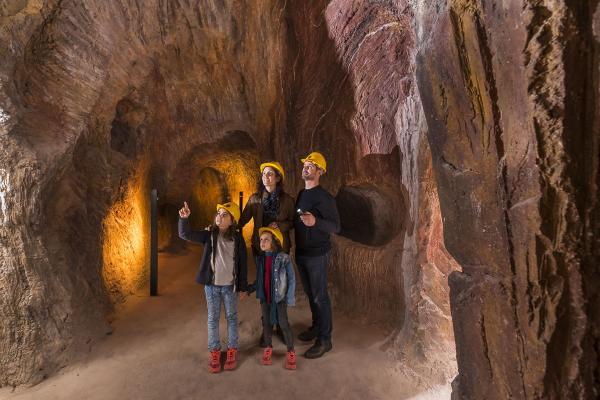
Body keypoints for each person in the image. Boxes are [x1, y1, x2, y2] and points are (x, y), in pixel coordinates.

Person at [178, 201, 248, 373]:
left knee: (232, 318)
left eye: (225, 215)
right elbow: (185, 234)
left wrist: (243, 287)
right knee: (213, 318)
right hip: (212, 287)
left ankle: (232, 350)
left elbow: (243, 265)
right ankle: (215, 351)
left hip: (230, 287)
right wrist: (184, 218)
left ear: (232, 221)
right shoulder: (209, 235)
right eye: (218, 214)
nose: (219, 216)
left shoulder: (238, 240)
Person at [239, 161, 295, 345]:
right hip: (260, 249)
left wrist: (280, 225)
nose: (266, 177)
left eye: (270, 174)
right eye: (264, 174)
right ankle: (267, 328)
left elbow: (293, 222)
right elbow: (243, 219)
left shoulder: (287, 200)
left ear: (278, 178)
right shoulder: (255, 199)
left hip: (280, 251)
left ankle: (280, 325)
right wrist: (226, 227)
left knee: (280, 288)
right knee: (265, 288)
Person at [294, 152, 340, 359]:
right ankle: (316, 327)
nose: (306, 167)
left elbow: (336, 226)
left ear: (320, 172)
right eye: (305, 165)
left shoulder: (325, 197)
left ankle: (325, 340)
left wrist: (316, 223)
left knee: (320, 296)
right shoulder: (301, 194)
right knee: (311, 294)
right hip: (302, 253)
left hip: (318, 255)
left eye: (311, 166)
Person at [247, 227, 297, 369]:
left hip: (279, 298)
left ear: (274, 242)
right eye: (261, 240)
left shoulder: (284, 258)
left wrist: (290, 297)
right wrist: (249, 290)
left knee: (283, 323)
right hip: (265, 298)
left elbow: (292, 279)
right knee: (267, 324)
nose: (262, 242)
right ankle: (268, 347)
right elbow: (259, 281)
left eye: (266, 239)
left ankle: (290, 351)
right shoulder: (261, 260)